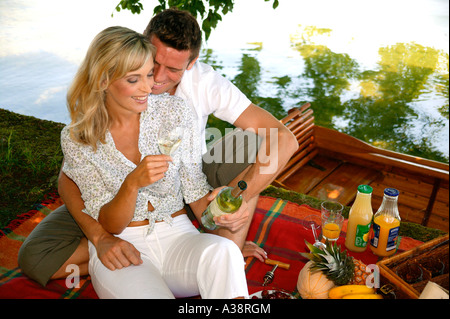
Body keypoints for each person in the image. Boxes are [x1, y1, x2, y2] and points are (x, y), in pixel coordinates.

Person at [18, 8, 298, 287]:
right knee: (37, 257)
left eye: (170, 69)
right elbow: (70, 176)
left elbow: (282, 139)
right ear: (142, 44)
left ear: (191, 63)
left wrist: (235, 201)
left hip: (185, 185)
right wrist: (100, 237)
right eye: (151, 65)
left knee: (253, 143)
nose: (156, 80)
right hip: (109, 198)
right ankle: (116, 258)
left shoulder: (200, 89)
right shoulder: (103, 94)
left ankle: (220, 248)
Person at [56, 26, 248, 298]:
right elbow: (110, 224)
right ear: (103, 81)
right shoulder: (78, 138)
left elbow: (194, 188)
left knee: (224, 251)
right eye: (134, 80)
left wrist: (219, 211)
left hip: (179, 236)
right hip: (123, 249)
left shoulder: (176, 111)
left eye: (148, 74)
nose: (149, 87)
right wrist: (132, 183)